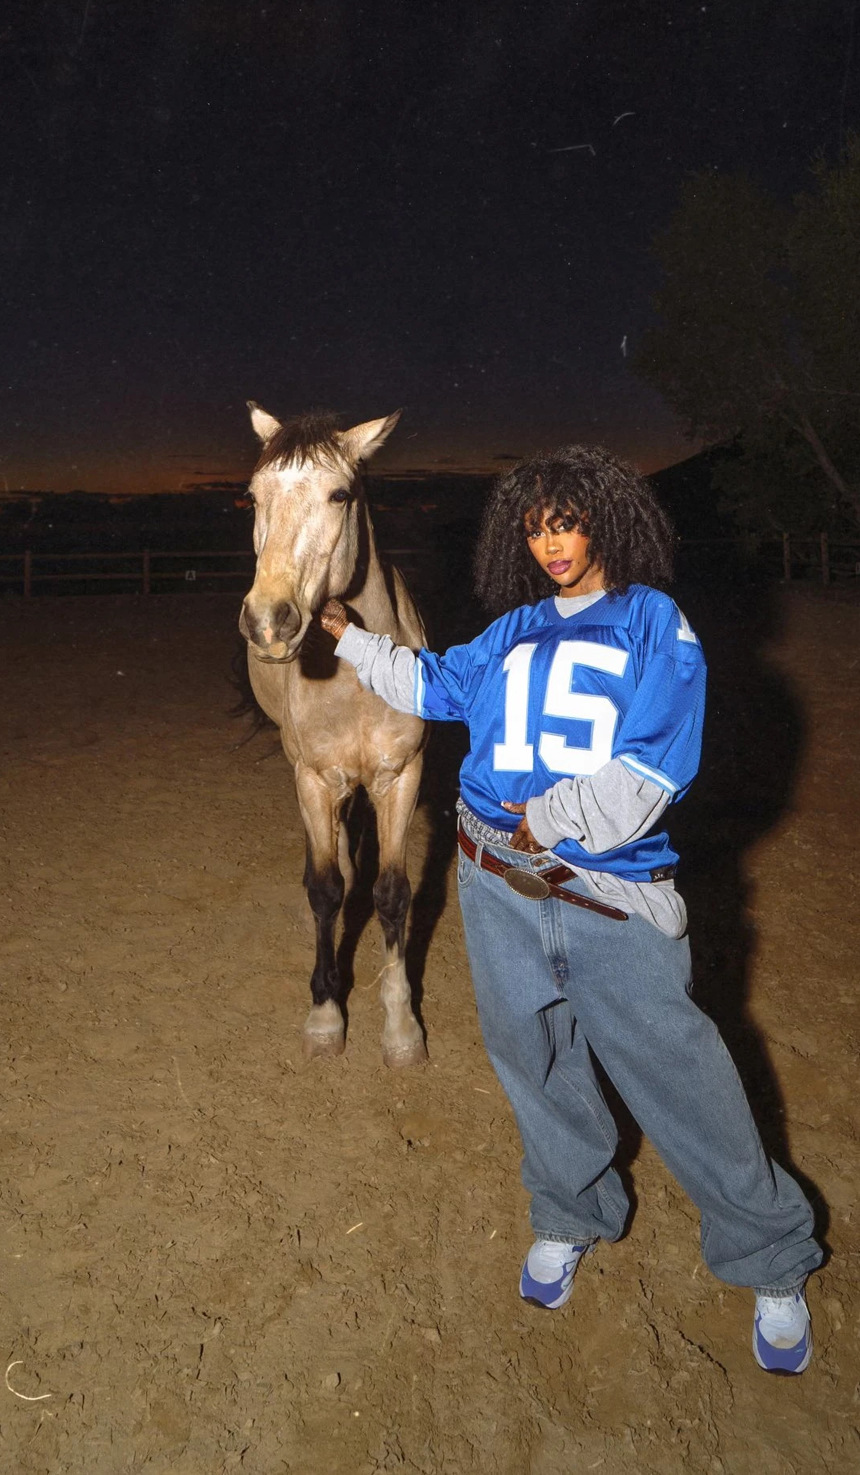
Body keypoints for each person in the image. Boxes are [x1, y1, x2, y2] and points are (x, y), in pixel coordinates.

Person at [320, 444, 822, 1373]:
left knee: (681, 1076)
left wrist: (552, 816)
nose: (552, 544)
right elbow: (431, 686)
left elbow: (653, 766)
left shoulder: (653, 624)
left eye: (567, 522)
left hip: (604, 896)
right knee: (535, 1064)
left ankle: (771, 1258)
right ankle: (570, 1212)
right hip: (489, 883)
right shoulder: (510, 631)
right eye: (537, 527)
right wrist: (348, 635)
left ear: (607, 521)